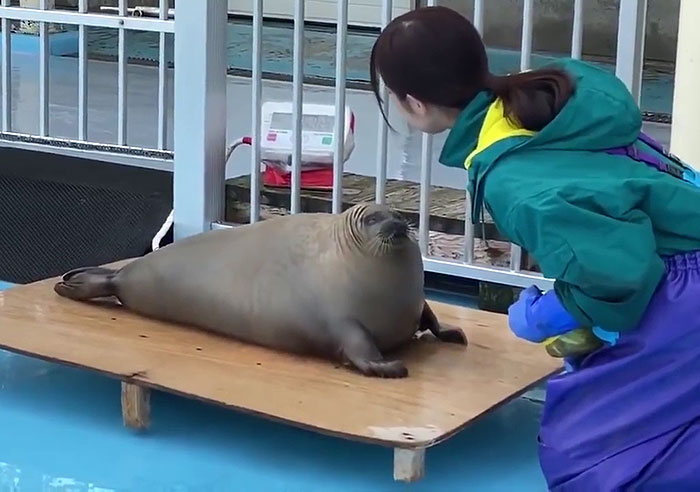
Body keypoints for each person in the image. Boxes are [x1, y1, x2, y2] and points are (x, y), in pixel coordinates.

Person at [369, 5, 700, 490]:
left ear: (414, 103)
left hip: (681, 283)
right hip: (677, 255)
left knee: (593, 460)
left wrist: (552, 313)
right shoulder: (545, 92)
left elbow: (623, 274)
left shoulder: (512, 180)